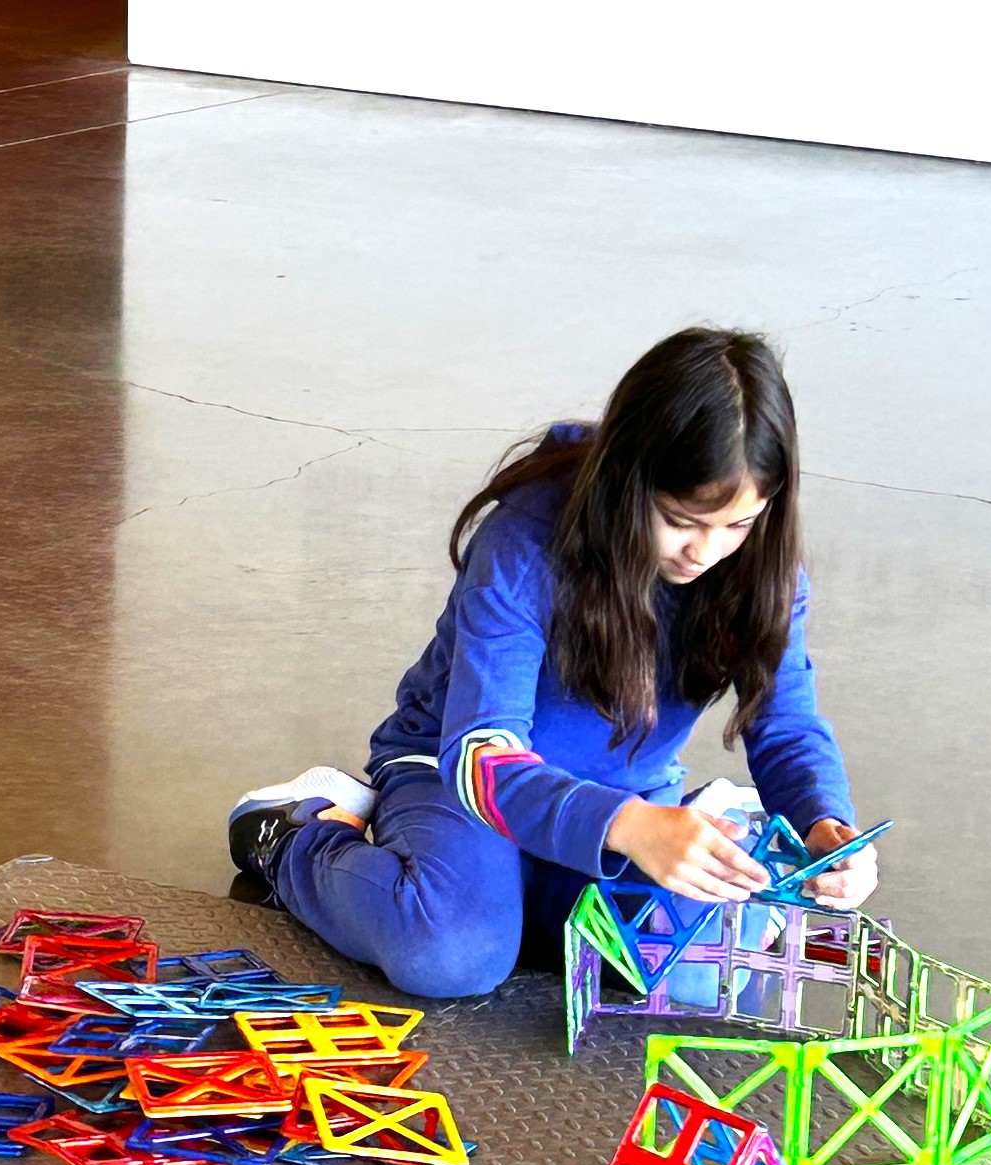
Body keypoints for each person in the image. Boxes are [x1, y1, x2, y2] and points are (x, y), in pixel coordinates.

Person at [227, 326, 876, 1000]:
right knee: (455, 952)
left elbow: (788, 725)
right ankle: (300, 836)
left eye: (738, 525)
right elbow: (483, 759)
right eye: (682, 518)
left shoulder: (761, 567)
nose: (705, 550)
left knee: (702, 975)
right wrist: (631, 827)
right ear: (630, 481)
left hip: (629, 800)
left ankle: (648, 845)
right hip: (461, 780)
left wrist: (823, 822)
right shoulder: (525, 540)